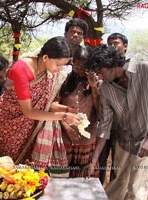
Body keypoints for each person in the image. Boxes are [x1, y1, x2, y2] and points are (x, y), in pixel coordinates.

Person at [84, 44, 148, 200]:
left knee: (137, 190)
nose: (100, 77)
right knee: (118, 186)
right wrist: (94, 159)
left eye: (101, 72)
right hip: (122, 144)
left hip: (145, 143)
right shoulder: (106, 89)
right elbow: (105, 125)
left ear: (111, 64)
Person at [0, 36, 82, 170]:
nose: (60, 69)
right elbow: (29, 111)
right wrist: (63, 117)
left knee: (27, 169)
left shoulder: (50, 73)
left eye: (63, 65)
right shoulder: (22, 68)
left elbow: (45, 105)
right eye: (58, 64)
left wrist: (66, 110)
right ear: (46, 57)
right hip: (10, 124)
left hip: (33, 125)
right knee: (7, 166)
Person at [59, 46, 100, 177]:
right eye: (78, 66)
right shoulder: (63, 80)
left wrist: (93, 87)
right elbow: (53, 106)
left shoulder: (98, 83)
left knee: (82, 180)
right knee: (61, 177)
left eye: (85, 67)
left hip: (86, 140)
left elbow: (100, 112)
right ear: (73, 63)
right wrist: (67, 128)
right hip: (64, 138)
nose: (81, 71)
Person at [98, 32, 129, 184]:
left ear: (125, 46)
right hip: (106, 124)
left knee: (119, 167)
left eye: (116, 43)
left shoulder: (131, 71)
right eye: (109, 43)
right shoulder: (105, 78)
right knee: (101, 164)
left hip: (125, 131)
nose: (112, 46)